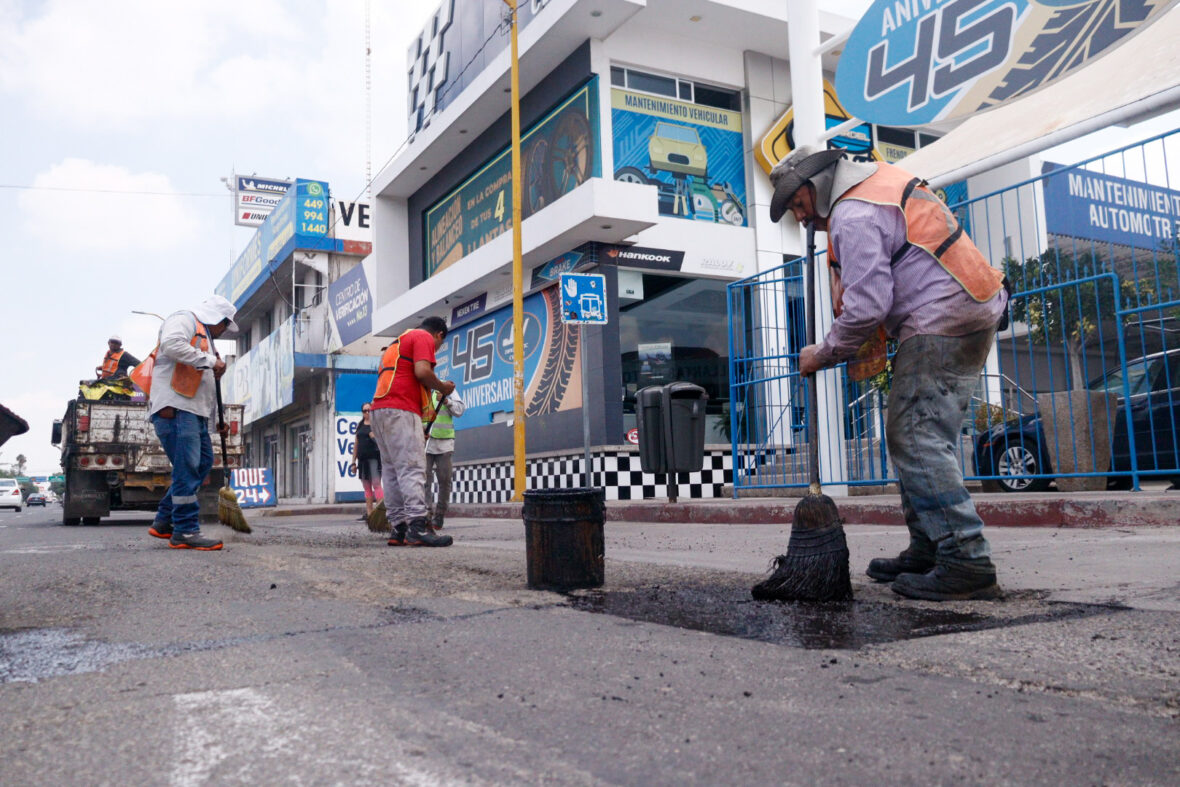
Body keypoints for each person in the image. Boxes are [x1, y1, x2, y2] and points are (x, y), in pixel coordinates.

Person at [769, 145, 1008, 601]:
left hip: (944, 316)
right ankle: (930, 547)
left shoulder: (853, 214)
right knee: (911, 434)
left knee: (915, 437)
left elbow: (866, 308)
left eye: (799, 205)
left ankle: (965, 559)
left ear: (816, 187)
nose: (801, 219)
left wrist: (822, 353)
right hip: (965, 306)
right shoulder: (873, 186)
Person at [144, 295, 240, 551]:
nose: (222, 332)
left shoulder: (205, 337)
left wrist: (215, 421)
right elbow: (172, 344)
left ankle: (164, 521)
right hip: (176, 409)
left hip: (193, 413)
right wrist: (210, 361)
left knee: (202, 463)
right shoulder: (184, 319)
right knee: (187, 468)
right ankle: (185, 531)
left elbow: (203, 384)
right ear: (218, 319)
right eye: (224, 325)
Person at [370, 316, 455, 547]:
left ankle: (398, 529)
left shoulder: (398, 342)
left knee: (392, 470)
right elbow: (422, 372)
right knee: (412, 468)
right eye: (440, 344)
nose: (436, 349)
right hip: (400, 409)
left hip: (379, 410)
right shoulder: (423, 336)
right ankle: (417, 527)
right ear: (439, 335)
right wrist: (443, 387)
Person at [424, 388, 465, 532]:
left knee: (445, 480)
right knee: (424, 481)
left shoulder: (447, 388)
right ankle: (426, 515)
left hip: (445, 443)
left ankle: (439, 515)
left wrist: (446, 401)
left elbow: (460, 410)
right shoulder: (421, 389)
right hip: (424, 442)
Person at [349, 402, 384, 520]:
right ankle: (369, 513)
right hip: (362, 460)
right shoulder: (360, 426)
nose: (367, 413)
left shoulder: (377, 425)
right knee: (366, 486)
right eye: (365, 411)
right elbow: (356, 444)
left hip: (374, 458)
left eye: (369, 410)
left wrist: (374, 437)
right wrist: (353, 462)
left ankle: (380, 514)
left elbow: (384, 443)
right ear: (362, 413)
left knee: (376, 484)